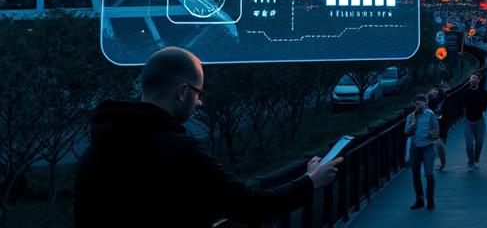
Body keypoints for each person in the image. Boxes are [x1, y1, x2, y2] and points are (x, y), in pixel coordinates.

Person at [73, 47, 342, 228]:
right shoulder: (180, 151)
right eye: (199, 93)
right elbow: (249, 205)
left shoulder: (95, 150)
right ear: (182, 92)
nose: (199, 102)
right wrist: (311, 181)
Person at [405, 93, 440, 210]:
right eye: (416, 104)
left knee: (429, 173)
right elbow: (406, 133)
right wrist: (412, 127)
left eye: (421, 104)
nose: (418, 106)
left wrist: (430, 134)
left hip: (428, 147)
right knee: (415, 174)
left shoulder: (431, 115)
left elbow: (436, 133)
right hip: (415, 148)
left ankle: (430, 199)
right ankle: (419, 199)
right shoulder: (411, 117)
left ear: (426, 104)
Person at [461, 73, 487, 169]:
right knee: (469, 143)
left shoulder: (484, 93)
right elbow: (463, 106)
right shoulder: (465, 92)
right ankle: (471, 160)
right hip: (468, 121)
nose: (473, 80)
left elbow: (486, 106)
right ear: (469, 82)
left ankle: (477, 158)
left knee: (479, 142)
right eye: (472, 79)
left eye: (475, 79)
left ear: (478, 81)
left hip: (479, 120)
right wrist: (465, 117)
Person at [427, 85, 448, 171]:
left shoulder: (434, 102)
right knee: (440, 142)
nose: (434, 91)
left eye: (435, 91)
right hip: (441, 121)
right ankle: (441, 162)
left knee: (439, 142)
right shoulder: (440, 101)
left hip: (439, 122)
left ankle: (442, 162)